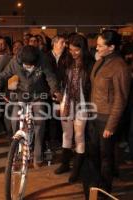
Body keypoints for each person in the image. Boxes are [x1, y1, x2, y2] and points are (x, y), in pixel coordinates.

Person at [0, 45, 62, 168]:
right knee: (14, 119)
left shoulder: (43, 60)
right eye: (26, 65)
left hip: (38, 95)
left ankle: (38, 155)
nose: (29, 67)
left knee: (40, 121)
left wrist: (55, 91)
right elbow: (2, 76)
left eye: (31, 65)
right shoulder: (15, 62)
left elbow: (50, 77)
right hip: (21, 94)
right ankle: (18, 146)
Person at [88, 30, 131, 193]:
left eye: (100, 45)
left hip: (107, 118)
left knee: (106, 156)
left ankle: (105, 190)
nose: (96, 48)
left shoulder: (120, 67)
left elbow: (121, 99)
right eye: (97, 44)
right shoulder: (101, 61)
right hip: (94, 115)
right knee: (94, 153)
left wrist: (111, 126)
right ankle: (95, 184)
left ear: (111, 47)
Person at [54, 34, 94, 183]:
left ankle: (77, 169)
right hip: (66, 101)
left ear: (83, 49)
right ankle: (65, 163)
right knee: (66, 134)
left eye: (77, 50)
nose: (73, 53)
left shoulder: (90, 63)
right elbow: (59, 82)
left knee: (79, 136)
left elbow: (91, 86)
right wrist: (59, 101)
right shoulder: (65, 61)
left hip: (83, 104)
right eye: (71, 49)